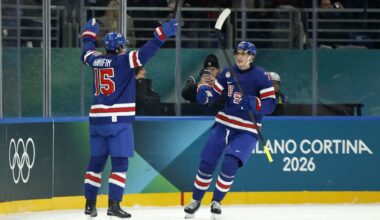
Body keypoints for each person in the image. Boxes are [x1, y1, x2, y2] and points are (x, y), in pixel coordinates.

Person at [80, 17, 177, 218]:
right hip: (118, 123)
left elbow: (85, 52)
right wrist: (161, 35)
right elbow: (145, 54)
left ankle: (90, 205)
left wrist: (89, 35)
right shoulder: (124, 61)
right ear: (120, 48)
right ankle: (113, 205)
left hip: (97, 121)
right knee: (120, 164)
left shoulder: (96, 59)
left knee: (95, 164)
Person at [183, 41, 276, 218]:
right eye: (237, 52)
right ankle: (195, 200)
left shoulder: (262, 76)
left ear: (251, 56)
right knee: (207, 162)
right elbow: (215, 94)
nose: (239, 56)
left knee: (229, 163)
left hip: (247, 128)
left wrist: (256, 103)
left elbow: (270, 105)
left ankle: (216, 201)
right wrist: (204, 92)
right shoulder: (227, 72)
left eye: (243, 53)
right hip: (224, 123)